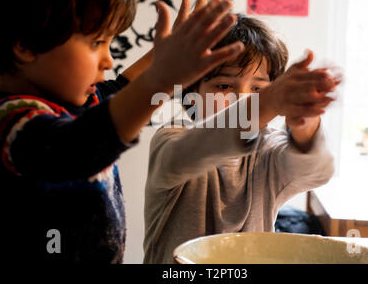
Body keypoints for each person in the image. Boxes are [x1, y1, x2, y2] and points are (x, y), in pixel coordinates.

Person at [0, 0, 242, 263]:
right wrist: (160, 79)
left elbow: (120, 89)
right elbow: (73, 149)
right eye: (96, 43)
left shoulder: (77, 101)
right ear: (25, 45)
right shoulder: (3, 120)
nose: (108, 60)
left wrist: (164, 55)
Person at [144, 14, 342, 263]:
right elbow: (193, 150)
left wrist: (303, 121)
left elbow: (315, 172)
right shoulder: (171, 138)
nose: (244, 99)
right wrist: (268, 100)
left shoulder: (268, 151)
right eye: (224, 87)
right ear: (192, 92)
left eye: (258, 89)